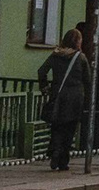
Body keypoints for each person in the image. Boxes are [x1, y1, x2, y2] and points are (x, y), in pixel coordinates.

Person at [38, 25, 92, 172]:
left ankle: (55, 150)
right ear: (77, 42)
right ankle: (63, 160)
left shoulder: (55, 55)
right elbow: (88, 80)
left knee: (57, 127)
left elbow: (42, 71)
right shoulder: (80, 58)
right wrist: (89, 100)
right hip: (75, 99)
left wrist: (45, 88)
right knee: (69, 129)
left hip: (57, 95)